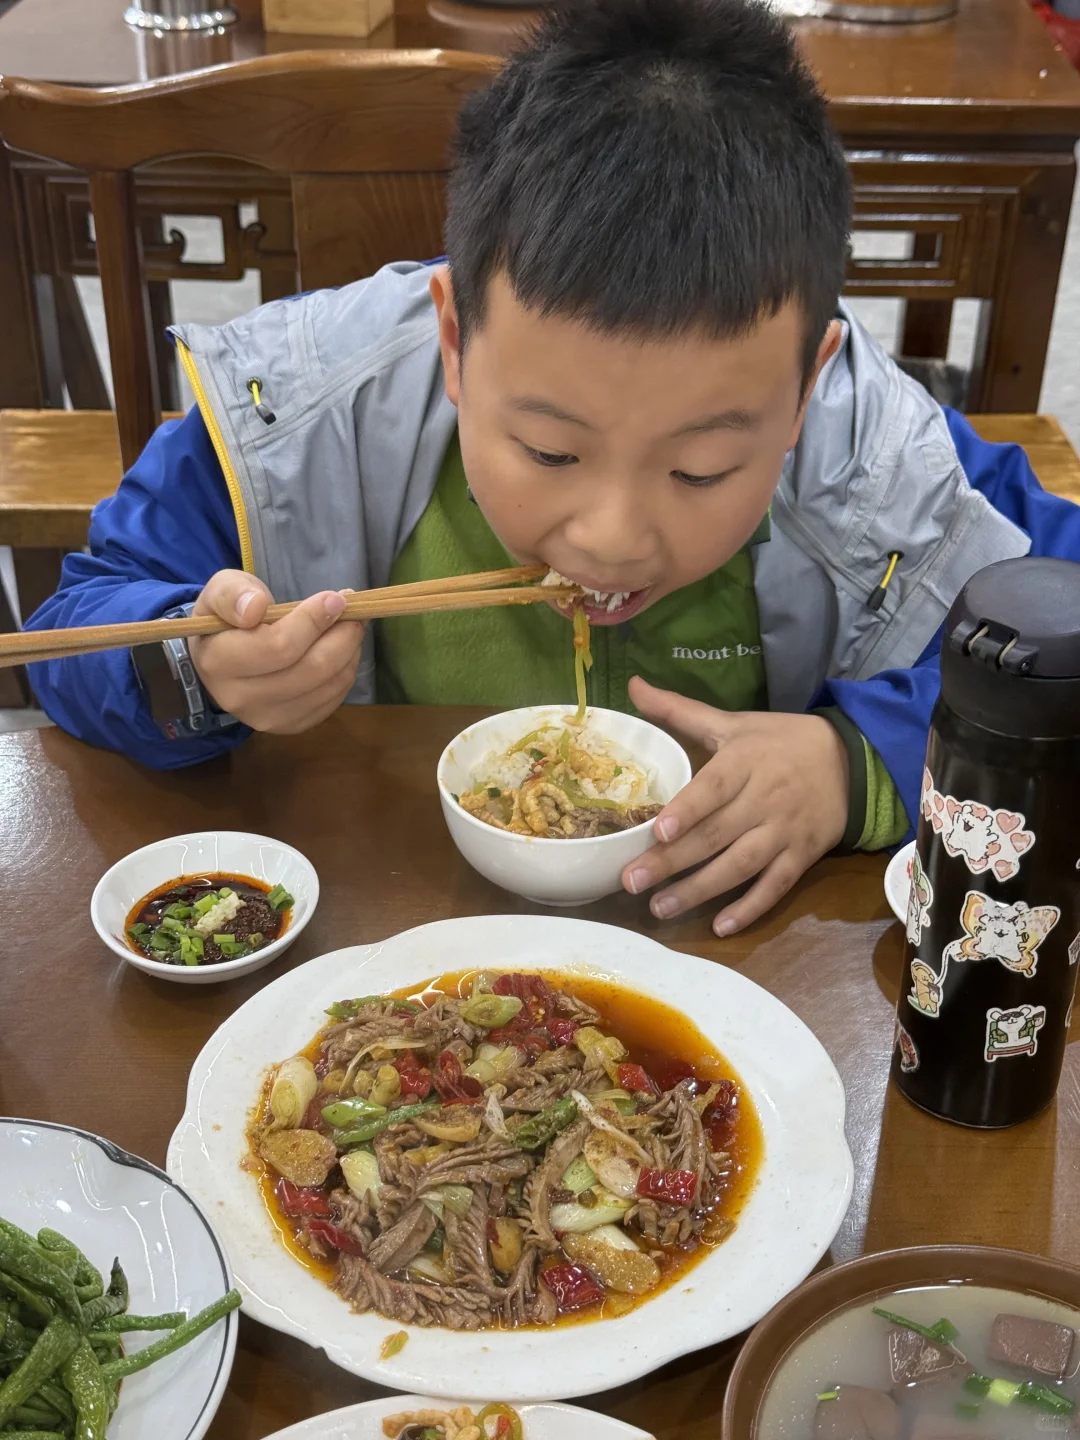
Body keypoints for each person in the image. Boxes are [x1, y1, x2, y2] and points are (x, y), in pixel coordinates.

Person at [24, 0, 1080, 936]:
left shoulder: (873, 451)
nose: (612, 535)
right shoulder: (301, 416)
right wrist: (201, 675)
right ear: (453, 340)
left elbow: (1062, 625)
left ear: (808, 385)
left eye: (705, 466)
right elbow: (74, 628)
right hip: (386, 922)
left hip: (742, 963)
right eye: (549, 450)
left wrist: (863, 766)